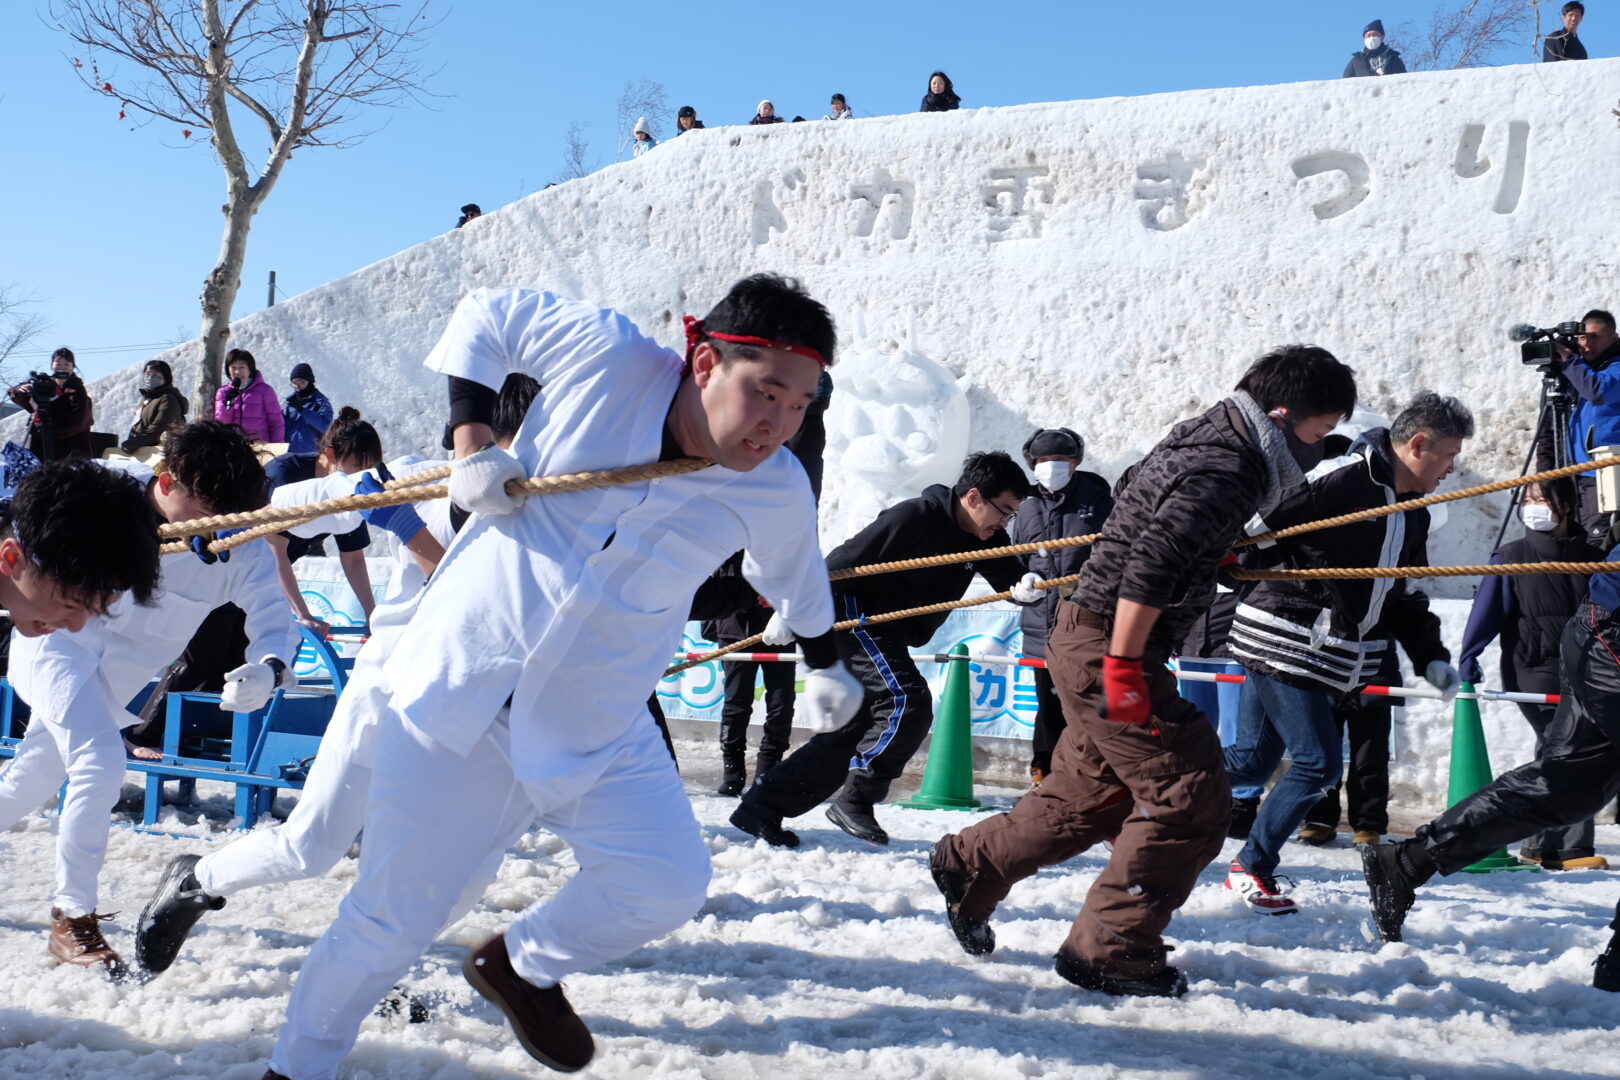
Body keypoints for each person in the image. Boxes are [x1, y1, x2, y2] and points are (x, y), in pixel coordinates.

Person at [256, 275, 860, 1079]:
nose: (777, 425)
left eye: (800, 405)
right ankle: (296, 1067)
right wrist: (472, 440)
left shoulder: (775, 483)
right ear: (707, 362)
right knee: (390, 920)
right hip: (461, 696)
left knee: (667, 879)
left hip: (595, 720)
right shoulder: (611, 360)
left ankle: (520, 964)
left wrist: (823, 659)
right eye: (767, 393)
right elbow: (482, 312)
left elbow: (794, 572)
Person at [929, 345, 1358, 998]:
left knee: (1090, 794)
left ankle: (971, 863)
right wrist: (1126, 661)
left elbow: (1138, 497)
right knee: (1190, 795)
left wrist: (1212, 554)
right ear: (1281, 413)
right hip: (1111, 643)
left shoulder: (1210, 432)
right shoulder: (1233, 463)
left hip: (1091, 635)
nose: (1317, 448)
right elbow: (1154, 556)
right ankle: (1113, 950)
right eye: (1318, 433)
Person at [136, 378, 548, 978]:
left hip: (482, 709)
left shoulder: (565, 505)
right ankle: (197, 880)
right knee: (313, 844)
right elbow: (283, 510)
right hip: (392, 687)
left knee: (472, 869)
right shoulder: (424, 476)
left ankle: (374, 965)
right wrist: (398, 518)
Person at [0, 424, 298, 978]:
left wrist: (270, 668)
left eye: (228, 511)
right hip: (56, 641)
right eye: (204, 506)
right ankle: (72, 918)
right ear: (165, 480)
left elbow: (274, 619)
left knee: (29, 783)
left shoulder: (234, 540)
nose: (215, 522)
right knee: (99, 762)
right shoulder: (106, 501)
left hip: (119, 679)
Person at [1222, 393, 1468, 915]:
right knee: (1317, 764)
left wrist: (1430, 656)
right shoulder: (1343, 475)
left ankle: (1136, 785)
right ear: (1418, 444)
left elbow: (1406, 595)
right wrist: (1231, 562)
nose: (1451, 469)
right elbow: (1259, 524)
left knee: (1250, 762)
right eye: (1448, 455)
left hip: (1321, 651)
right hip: (1284, 638)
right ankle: (1252, 865)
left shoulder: (1414, 515)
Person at [731, 451, 1035, 849]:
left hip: (887, 631)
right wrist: (793, 608)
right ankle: (856, 799)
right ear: (974, 497)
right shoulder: (913, 517)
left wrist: (1026, 586)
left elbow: (1009, 577)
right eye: (1005, 511)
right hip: (856, 615)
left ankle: (762, 806)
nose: (1004, 522)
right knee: (906, 700)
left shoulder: (987, 537)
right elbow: (844, 560)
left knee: (854, 729)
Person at [1363, 544, 1620, 994]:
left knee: (1568, 786)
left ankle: (1407, 863)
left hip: (1598, 629)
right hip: (1611, 633)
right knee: (1567, 783)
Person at [1457, 477, 1606, 869]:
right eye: (1529, 499)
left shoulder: (1592, 556)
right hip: (1533, 671)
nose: (1534, 506)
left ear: (1567, 508)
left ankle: (1540, 843)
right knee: (1567, 752)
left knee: (1559, 752)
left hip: (1585, 672)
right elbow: (1486, 612)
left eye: (1543, 499)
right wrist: (1469, 656)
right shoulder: (1512, 556)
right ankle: (1570, 847)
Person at [1012, 428, 1112, 783]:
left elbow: (1112, 555)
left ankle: (1085, 773)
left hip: (1084, 622)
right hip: (1039, 623)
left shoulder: (1097, 499)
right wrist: (1018, 586)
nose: (1050, 467)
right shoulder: (1024, 505)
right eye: (1042, 461)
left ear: (1075, 462)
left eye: (1060, 460)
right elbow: (1015, 560)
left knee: (1084, 702)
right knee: (1048, 702)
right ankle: (1044, 768)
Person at [265, 408, 385, 633]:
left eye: (370, 469)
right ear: (330, 455)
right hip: (234, 566)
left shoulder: (351, 490)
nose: (363, 476)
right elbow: (272, 551)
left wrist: (372, 614)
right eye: (358, 467)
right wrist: (303, 613)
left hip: (269, 581)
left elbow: (353, 559)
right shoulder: (286, 474)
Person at [1536, 309, 1620, 547]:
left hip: (1604, 476)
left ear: (1614, 338)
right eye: (1583, 338)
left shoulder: (1613, 368)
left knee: (1598, 544)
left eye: (1596, 337)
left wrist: (1569, 361)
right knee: (1576, 545)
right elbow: (1549, 428)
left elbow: (1597, 390)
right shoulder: (1580, 371)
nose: (1587, 343)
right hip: (1576, 475)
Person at [9, 347, 93, 461]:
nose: (61, 368)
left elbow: (77, 421)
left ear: (73, 367)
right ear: (51, 366)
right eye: (58, 364)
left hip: (72, 449)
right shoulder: (44, 384)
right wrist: (21, 389)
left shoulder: (78, 389)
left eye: (66, 364)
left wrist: (43, 428)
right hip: (41, 447)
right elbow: (23, 399)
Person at [213, 348, 285, 444]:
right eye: (233, 368)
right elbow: (221, 425)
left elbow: (276, 423)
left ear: (250, 369)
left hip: (261, 448)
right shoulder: (223, 392)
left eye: (242, 367)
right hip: (234, 448)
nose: (237, 372)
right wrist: (228, 403)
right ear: (228, 370)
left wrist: (277, 448)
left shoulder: (265, 391)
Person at [121, 360, 188, 455]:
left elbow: (158, 429)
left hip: (159, 454)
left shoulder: (168, 400)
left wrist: (132, 444)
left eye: (156, 375)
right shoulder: (147, 400)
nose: (150, 378)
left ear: (166, 378)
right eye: (147, 374)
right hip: (142, 452)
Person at [281, 362, 334, 455]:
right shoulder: (288, 404)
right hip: (288, 455)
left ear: (310, 382)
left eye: (302, 382)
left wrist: (304, 411)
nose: (298, 387)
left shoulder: (321, 403)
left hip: (311, 456)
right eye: (294, 383)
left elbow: (326, 427)